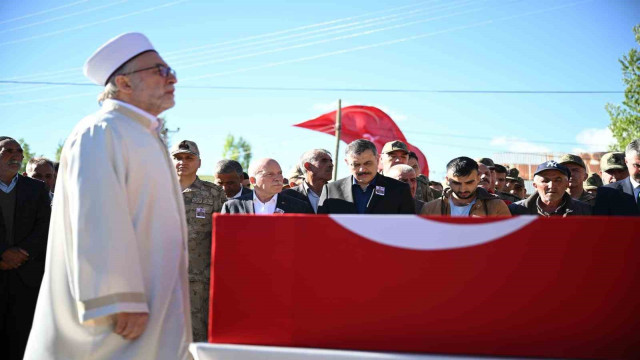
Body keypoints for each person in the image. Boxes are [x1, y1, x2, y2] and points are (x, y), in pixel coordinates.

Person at [25, 33, 192, 360]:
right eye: (159, 70)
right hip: (117, 320)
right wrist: (119, 298)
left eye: (170, 69)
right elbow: (97, 217)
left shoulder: (144, 134)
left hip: (153, 306)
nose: (172, 77)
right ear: (124, 83)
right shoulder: (101, 130)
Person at [0, 137, 51, 360]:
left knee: (24, 341)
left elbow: (44, 226)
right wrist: (2, 253)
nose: (15, 155)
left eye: (19, 151)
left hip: (27, 277)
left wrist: (21, 253)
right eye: (7, 150)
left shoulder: (36, 189)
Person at [171, 140, 226, 342]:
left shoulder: (213, 193)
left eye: (188, 158)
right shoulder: (157, 190)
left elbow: (222, 235)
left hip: (198, 278)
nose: (182, 162)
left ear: (199, 162)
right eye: (177, 158)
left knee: (197, 334)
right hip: (161, 275)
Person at [318, 139, 414, 214]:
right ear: (347, 162)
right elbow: (322, 227)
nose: (362, 170)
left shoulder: (399, 189)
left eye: (367, 163)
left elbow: (407, 228)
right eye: (356, 165)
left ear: (377, 159)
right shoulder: (330, 190)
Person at [421, 156, 510, 216]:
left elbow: (507, 240)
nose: (463, 189)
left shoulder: (496, 207)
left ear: (478, 178)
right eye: (456, 183)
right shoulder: (430, 209)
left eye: (469, 182)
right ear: (447, 180)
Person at [222, 158, 313, 214]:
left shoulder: (299, 207)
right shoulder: (232, 207)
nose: (278, 178)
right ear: (253, 180)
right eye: (270, 174)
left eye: (279, 173)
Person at [509, 161, 591, 216]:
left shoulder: (584, 211)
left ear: (567, 184)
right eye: (545, 180)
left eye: (558, 180)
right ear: (535, 185)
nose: (551, 185)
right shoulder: (516, 210)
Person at [593, 139, 640, 215]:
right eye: (637, 165)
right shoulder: (606, 193)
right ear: (626, 162)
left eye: (620, 171)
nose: (616, 176)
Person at [283, 149, 333, 213]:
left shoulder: (339, 194)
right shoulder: (287, 196)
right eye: (324, 161)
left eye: (331, 161)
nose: (331, 165)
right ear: (308, 166)